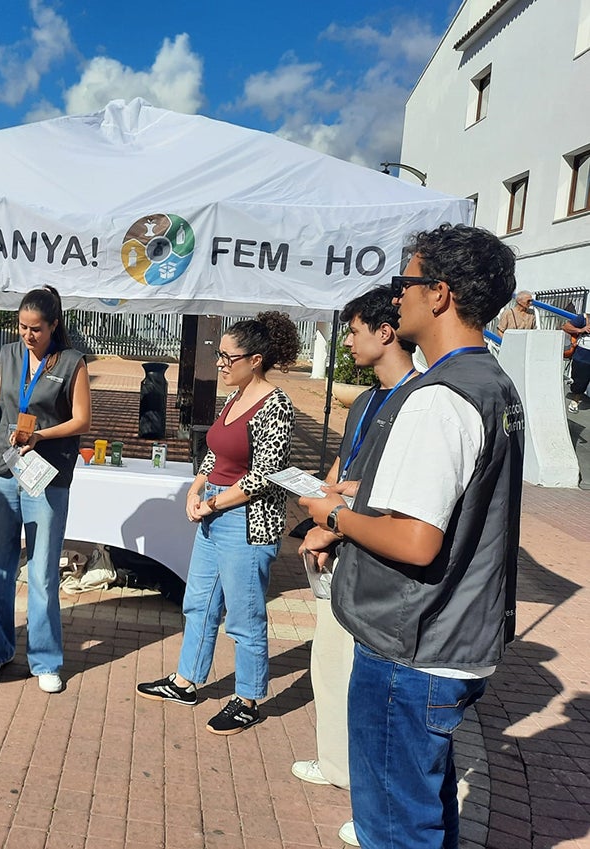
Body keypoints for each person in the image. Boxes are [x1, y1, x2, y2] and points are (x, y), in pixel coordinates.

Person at [300, 223, 524, 849]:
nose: (395, 296)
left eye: (407, 282)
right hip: (449, 637)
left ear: (441, 295)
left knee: (396, 828)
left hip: (413, 646)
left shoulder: (440, 397)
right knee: (422, 816)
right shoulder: (493, 384)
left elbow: (417, 540)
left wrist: (334, 519)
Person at [293, 285, 419, 848]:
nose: (346, 341)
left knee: (367, 682)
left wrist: (333, 520)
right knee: (328, 661)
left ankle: (372, 804)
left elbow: (401, 491)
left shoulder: (420, 398)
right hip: (341, 539)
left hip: (374, 553)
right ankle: (336, 762)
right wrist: (322, 510)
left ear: (386, 331)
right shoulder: (367, 399)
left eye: (353, 330)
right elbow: (347, 464)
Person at [136, 312, 299, 734]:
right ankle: (186, 680)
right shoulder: (234, 399)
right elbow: (215, 455)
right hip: (216, 512)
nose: (221, 364)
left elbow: (264, 475)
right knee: (200, 602)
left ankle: (247, 698)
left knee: (244, 615)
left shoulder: (276, 405)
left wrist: (213, 503)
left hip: (245, 520)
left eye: (229, 357)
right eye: (219, 355)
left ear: (256, 359)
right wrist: (196, 489)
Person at [0, 286, 91, 694]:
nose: (27, 335)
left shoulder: (72, 362)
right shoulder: (9, 353)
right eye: (21, 327)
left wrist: (42, 436)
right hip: (3, 466)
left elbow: (82, 420)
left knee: (43, 572)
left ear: (54, 325)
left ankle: (46, 660)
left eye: (36, 328)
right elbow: (2, 397)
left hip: (46, 472)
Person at [561, 308, 590, 412]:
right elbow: (565, 326)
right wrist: (580, 330)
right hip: (583, 354)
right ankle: (575, 401)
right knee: (579, 381)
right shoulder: (584, 318)